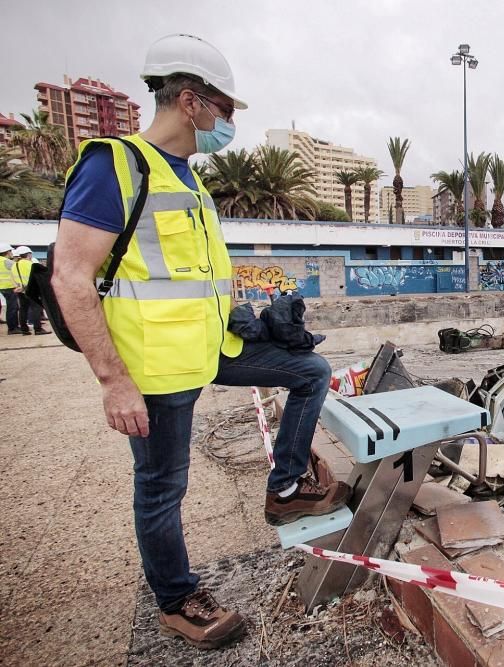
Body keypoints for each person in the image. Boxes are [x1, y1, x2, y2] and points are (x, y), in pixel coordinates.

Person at [50, 34, 349, 650]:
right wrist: (114, 380)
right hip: (156, 370)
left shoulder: (186, 177)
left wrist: (251, 323)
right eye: (226, 109)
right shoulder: (116, 165)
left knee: (310, 371)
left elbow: (192, 281)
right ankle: (177, 599)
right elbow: (70, 279)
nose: (228, 123)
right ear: (191, 102)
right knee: (163, 488)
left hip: (209, 349)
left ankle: (287, 488)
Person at [10, 246, 50, 335]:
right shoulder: (31, 264)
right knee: (36, 308)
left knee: (23, 309)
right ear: (29, 254)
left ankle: (24, 329)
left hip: (20, 290)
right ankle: (38, 329)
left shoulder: (14, 265)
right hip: (32, 290)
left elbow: (12, 278)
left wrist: (17, 287)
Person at [0, 243, 19, 334]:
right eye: (10, 251)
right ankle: (12, 328)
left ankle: (13, 327)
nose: (12, 253)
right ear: (7, 252)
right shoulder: (6, 261)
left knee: (11, 307)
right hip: (9, 287)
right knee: (12, 308)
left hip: (2, 287)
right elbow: (18, 268)